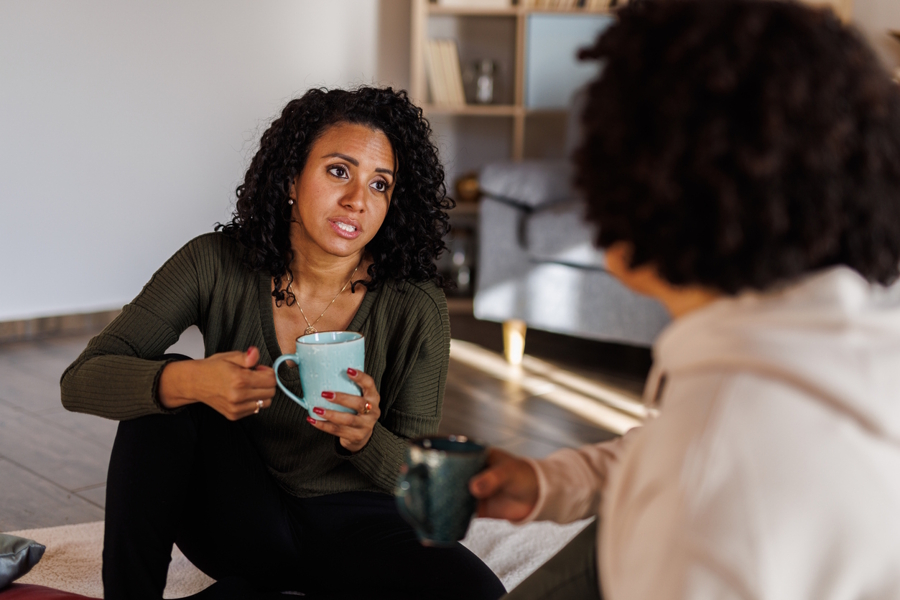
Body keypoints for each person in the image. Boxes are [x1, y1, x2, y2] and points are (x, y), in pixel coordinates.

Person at [469, 1, 900, 598]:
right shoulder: (851, 333)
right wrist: (549, 482)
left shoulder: (705, 486)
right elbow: (672, 446)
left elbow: (701, 462)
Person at [61, 86, 506, 600]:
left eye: (380, 184)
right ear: (291, 177)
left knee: (481, 594)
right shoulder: (214, 263)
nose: (357, 201)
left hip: (357, 524)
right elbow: (81, 380)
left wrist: (366, 436)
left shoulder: (415, 304)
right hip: (243, 516)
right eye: (339, 171)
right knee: (165, 394)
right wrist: (188, 380)